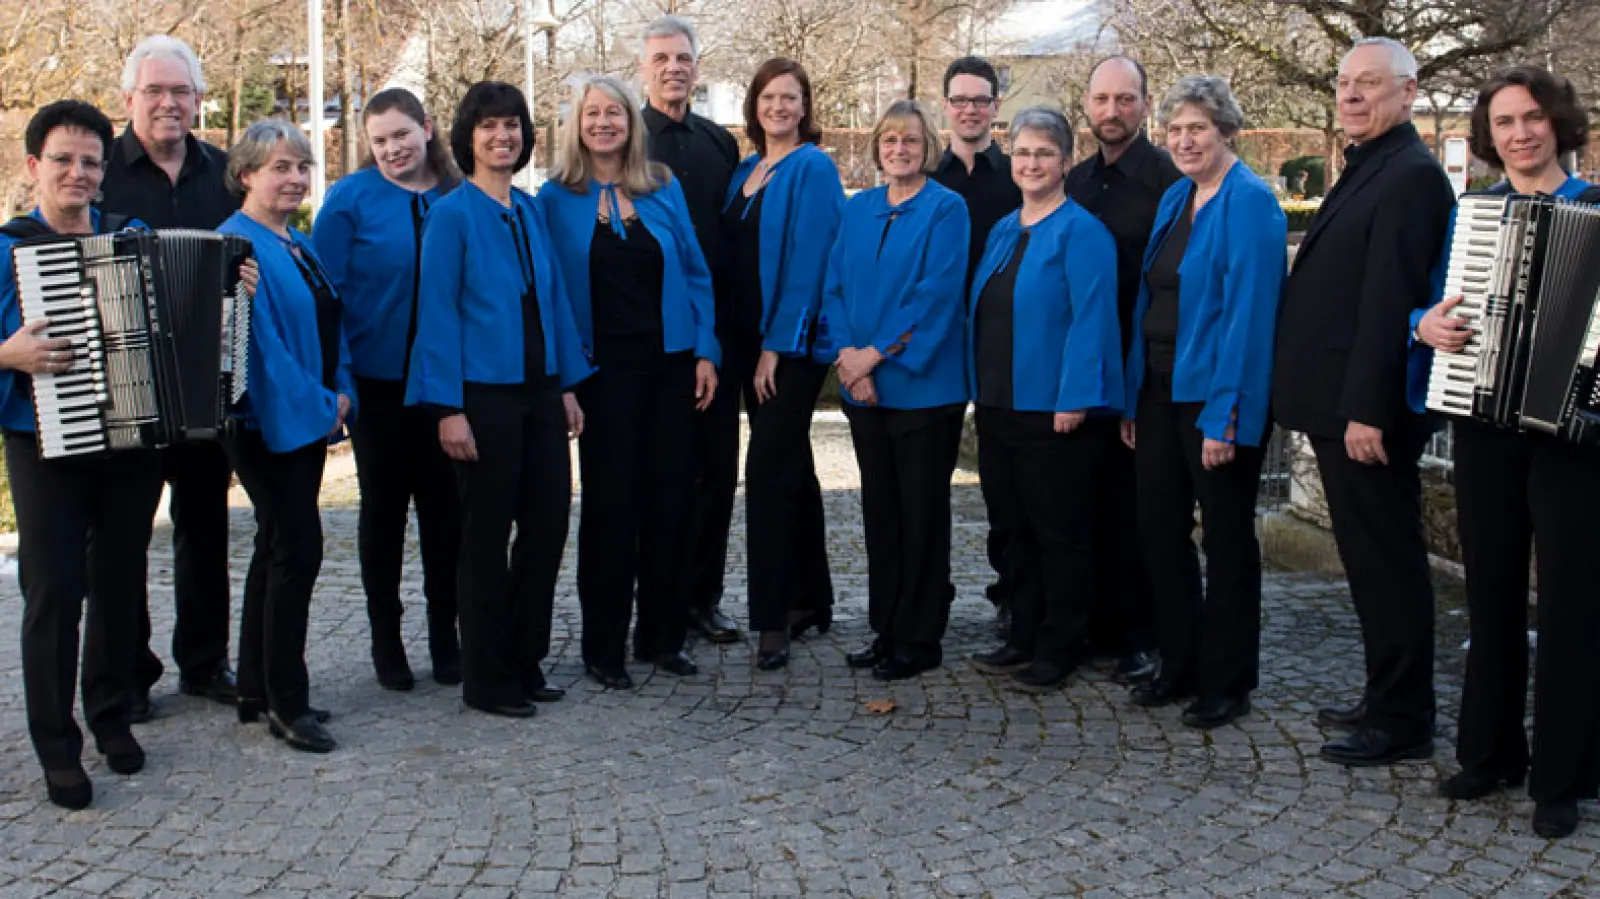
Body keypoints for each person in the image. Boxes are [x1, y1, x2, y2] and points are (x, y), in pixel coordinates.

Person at [1417, 65, 1600, 839]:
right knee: (1490, 589)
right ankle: (1490, 751)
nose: (1519, 133)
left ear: (1557, 123)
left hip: (1577, 438)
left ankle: (1563, 777)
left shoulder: (1593, 210)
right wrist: (1425, 327)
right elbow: (1433, 302)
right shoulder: (1477, 212)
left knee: (1570, 602)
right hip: (1486, 421)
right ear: (1489, 138)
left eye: (1530, 118)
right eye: (1503, 123)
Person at [1272, 37, 1455, 766]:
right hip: (1341, 405)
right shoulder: (1370, 164)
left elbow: (1390, 302)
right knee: (1369, 564)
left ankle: (1404, 717)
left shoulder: (1410, 175)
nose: (1351, 96)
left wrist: (1368, 410)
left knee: (1389, 565)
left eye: (1369, 85)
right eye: (1345, 83)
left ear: (1408, 93)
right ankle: (1385, 696)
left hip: (1367, 415)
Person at [406, 81, 590, 718]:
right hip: (481, 398)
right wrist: (447, 408)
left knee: (546, 528)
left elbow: (554, 302)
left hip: (540, 394)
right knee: (485, 538)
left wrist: (566, 384)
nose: (501, 136)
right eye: (488, 126)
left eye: (511, 125)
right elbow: (436, 314)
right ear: (468, 136)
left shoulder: (531, 209)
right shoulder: (451, 215)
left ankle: (524, 657)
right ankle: (485, 676)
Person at [0, 101, 164, 809]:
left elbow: (179, 315)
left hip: (129, 433)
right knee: (55, 588)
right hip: (40, 439)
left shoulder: (132, 236)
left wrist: (233, 288)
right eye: (63, 159)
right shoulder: (6, 245)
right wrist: (6, 352)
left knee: (122, 577)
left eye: (91, 161)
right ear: (34, 166)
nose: (78, 172)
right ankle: (56, 743)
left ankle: (112, 712)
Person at [539, 74, 719, 688]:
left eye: (614, 112)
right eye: (592, 113)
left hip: (670, 367)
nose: (604, 122)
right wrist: (563, 379)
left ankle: (663, 637)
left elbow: (695, 272)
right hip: (600, 375)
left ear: (630, 122)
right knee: (612, 510)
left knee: (670, 501)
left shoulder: (661, 187)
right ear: (577, 125)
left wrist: (705, 351)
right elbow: (550, 298)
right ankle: (604, 646)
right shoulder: (553, 197)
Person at [1120, 76, 1286, 728]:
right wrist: (1135, 396)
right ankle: (1179, 659)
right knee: (1159, 532)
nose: (1185, 140)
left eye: (1198, 129)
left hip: (1216, 399)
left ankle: (1227, 679)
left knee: (1226, 541)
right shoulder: (1175, 198)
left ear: (1227, 132)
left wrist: (1227, 416)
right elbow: (1148, 301)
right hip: (1160, 391)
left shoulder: (1250, 204)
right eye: (1176, 130)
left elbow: (1249, 321)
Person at [100, 35, 242, 720]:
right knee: (124, 533)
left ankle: (205, 660)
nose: (167, 103)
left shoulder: (223, 171)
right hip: (126, 382)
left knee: (205, 523)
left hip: (199, 381)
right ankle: (127, 671)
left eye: (180, 92)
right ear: (128, 99)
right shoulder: (101, 172)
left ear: (197, 99)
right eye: (154, 91)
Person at [965, 106, 1124, 693]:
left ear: (1064, 161)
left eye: (1043, 154)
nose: (1031, 164)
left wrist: (1076, 397)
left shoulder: (1083, 233)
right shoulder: (1006, 228)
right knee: (1013, 529)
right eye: (1022, 153)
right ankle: (1023, 634)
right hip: (1000, 402)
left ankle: (1062, 645)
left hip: (1055, 409)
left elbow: (1093, 319)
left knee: (1060, 533)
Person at [311, 88, 463, 692]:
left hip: (447, 385)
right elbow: (327, 298)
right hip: (377, 385)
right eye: (379, 141)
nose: (393, 149)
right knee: (383, 514)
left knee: (445, 514)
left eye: (401, 135)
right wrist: (340, 382)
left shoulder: (457, 192)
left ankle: (445, 635)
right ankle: (386, 637)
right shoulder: (350, 200)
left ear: (426, 129)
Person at [818, 101, 970, 681]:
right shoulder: (858, 211)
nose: (899, 148)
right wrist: (852, 366)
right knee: (880, 512)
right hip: (866, 392)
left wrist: (875, 356)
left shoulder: (946, 210)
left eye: (910, 140)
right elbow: (833, 287)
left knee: (921, 514)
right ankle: (887, 627)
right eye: (889, 139)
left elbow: (935, 295)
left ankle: (920, 635)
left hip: (924, 389)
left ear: (926, 145)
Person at [217, 119, 355, 754]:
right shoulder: (235, 247)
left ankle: (255, 687)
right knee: (297, 551)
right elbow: (262, 354)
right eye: (280, 167)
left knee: (276, 548)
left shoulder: (295, 240)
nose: (295, 178)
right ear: (246, 174)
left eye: (302, 166)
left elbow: (333, 316)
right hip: (270, 424)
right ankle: (286, 702)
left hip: (309, 413)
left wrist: (342, 387)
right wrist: (322, 406)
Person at [722, 58, 845, 670]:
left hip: (786, 349)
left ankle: (772, 619)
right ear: (755, 104)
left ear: (805, 106)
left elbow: (810, 264)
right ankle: (812, 598)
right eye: (769, 96)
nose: (778, 106)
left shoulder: (813, 168)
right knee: (793, 463)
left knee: (767, 470)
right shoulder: (746, 170)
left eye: (790, 97)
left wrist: (776, 344)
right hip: (743, 344)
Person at [1065, 55, 1182, 687]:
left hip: (1141, 372)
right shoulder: (1076, 180)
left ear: (1145, 104)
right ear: (1088, 102)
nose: (1113, 111)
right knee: (1090, 507)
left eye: (1126, 100)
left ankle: (1144, 636)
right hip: (1084, 371)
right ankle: (1097, 626)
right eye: (1103, 99)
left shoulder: (1169, 181)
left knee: (1142, 511)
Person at [638, 15, 746, 646]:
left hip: (718, 335)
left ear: (696, 68)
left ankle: (704, 596)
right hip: (653, 339)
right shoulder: (629, 143)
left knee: (715, 471)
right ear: (644, 68)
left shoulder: (718, 144)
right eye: (661, 59)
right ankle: (658, 597)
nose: (673, 68)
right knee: (658, 474)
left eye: (683, 59)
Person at [930, 56, 1022, 625]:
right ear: (946, 107)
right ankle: (927, 602)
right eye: (960, 100)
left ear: (995, 107)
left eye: (980, 100)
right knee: (925, 485)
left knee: (1006, 486)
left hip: (1001, 349)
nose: (970, 109)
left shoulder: (1020, 176)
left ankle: (1012, 597)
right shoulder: (924, 178)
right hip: (934, 347)